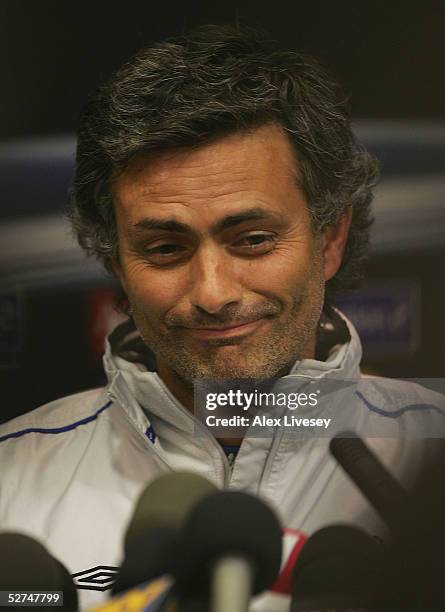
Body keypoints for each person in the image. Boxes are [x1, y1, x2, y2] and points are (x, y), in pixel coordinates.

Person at [0, 25, 443, 611]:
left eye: (253, 239)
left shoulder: (431, 456)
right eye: (164, 249)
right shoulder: (10, 480)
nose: (212, 292)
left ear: (330, 240)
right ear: (116, 267)